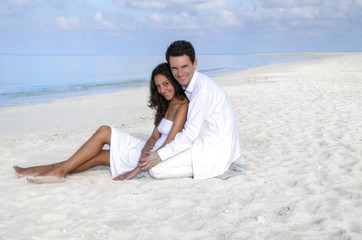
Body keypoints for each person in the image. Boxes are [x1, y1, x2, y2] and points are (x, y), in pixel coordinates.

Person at [13, 63, 189, 183]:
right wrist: (144, 149)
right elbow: (154, 136)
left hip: (155, 157)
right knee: (94, 151)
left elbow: (168, 143)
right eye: (158, 86)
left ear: (173, 81)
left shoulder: (183, 106)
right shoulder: (168, 104)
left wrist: (136, 169)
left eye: (166, 84)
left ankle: (53, 171)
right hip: (145, 150)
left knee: (102, 140)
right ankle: (44, 170)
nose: (162, 90)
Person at [139, 40, 240, 180]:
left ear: (195, 63)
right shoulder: (192, 84)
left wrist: (159, 155)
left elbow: (190, 135)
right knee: (162, 157)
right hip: (206, 141)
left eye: (184, 66)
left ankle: (224, 165)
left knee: (156, 170)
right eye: (174, 68)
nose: (180, 73)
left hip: (213, 147)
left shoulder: (202, 91)